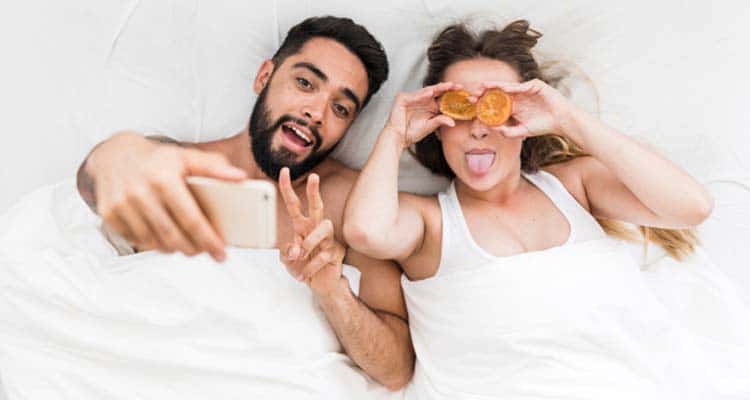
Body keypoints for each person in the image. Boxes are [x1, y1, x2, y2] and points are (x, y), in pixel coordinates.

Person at [343, 20, 717, 398]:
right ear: (439, 126)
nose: (477, 129)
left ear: (522, 115)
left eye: (493, 107)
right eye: (461, 111)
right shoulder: (429, 223)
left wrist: (565, 118)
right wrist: (395, 134)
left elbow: (691, 206)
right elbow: (365, 232)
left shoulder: (574, 186)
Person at [76, 16, 412, 390]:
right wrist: (116, 152)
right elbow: (92, 183)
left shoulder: (353, 204)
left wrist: (334, 293)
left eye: (341, 108)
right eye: (305, 83)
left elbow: (395, 369)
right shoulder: (172, 160)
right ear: (264, 76)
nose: (316, 112)